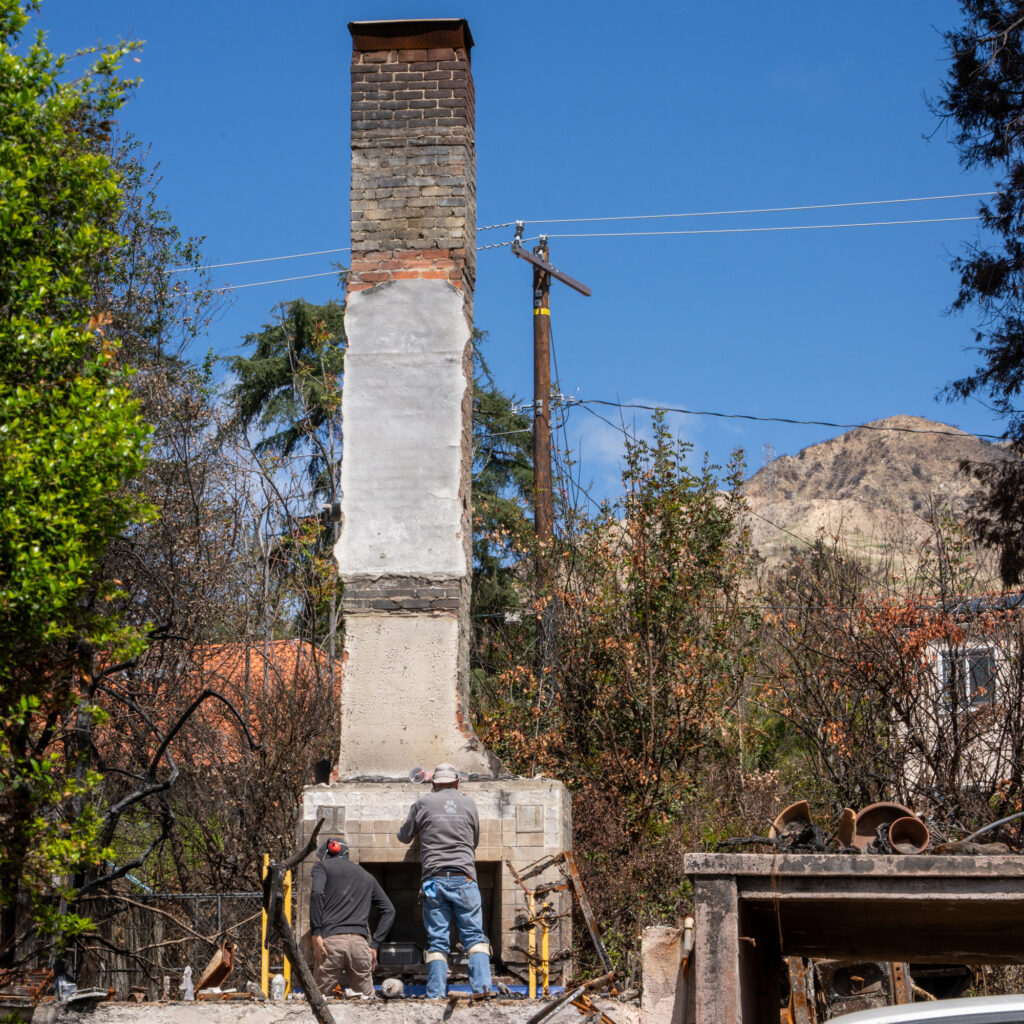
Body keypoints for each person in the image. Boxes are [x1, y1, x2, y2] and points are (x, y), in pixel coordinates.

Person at [397, 762, 492, 998]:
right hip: (465, 877)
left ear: (433, 783)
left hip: (432, 880)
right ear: (458, 782)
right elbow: (474, 841)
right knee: (474, 937)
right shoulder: (469, 803)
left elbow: (403, 836)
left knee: (437, 939)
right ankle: (483, 990)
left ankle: (435, 994)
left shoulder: (422, 802)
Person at [309, 837, 395, 998]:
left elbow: (317, 894)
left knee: (320, 1002)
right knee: (365, 1002)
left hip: (330, 944)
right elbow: (389, 910)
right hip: (360, 946)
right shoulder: (367, 876)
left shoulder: (322, 867)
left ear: (331, 851)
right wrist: (375, 944)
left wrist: (316, 933)